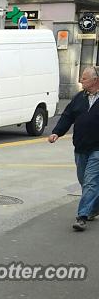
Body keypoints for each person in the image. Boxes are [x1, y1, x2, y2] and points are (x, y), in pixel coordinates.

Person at [49, 66, 99, 231]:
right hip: (81, 147)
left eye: (84, 78)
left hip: (97, 149)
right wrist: (57, 132)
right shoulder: (79, 98)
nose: (81, 81)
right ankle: (93, 207)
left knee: (91, 182)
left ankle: (82, 217)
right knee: (84, 181)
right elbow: (68, 116)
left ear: (94, 80)